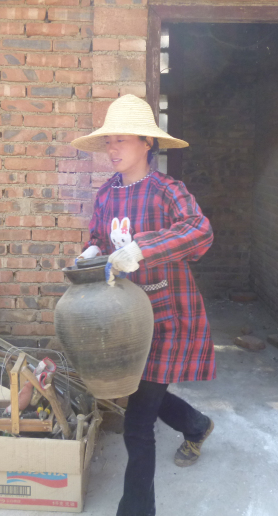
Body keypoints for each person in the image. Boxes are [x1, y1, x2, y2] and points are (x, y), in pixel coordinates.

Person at [70, 94, 216, 516]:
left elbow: (200, 232)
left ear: (146, 142)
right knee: (138, 391)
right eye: (108, 141)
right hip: (124, 318)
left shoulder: (168, 191)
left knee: (137, 424)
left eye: (122, 140)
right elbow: (97, 237)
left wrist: (142, 249)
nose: (112, 149)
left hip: (166, 316)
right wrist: (90, 253)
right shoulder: (106, 193)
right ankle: (196, 425)